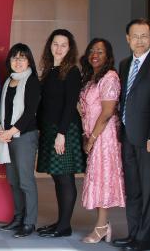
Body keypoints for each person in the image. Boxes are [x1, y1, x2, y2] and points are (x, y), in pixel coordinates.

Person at [114, 19, 150, 251]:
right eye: (135, 36)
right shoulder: (124, 64)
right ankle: (133, 233)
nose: (139, 40)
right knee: (133, 189)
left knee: (149, 191)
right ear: (127, 39)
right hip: (127, 136)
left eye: (144, 36)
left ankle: (144, 239)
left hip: (147, 140)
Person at [35, 29, 85, 238]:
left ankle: (65, 226)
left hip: (65, 129)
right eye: (55, 44)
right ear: (50, 46)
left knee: (65, 177)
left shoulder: (72, 71)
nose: (59, 48)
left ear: (69, 48)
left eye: (63, 45)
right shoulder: (49, 70)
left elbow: (69, 105)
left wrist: (61, 133)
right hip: (49, 129)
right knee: (57, 176)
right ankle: (60, 222)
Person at [77, 38, 125, 243]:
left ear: (108, 56)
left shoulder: (110, 77)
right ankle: (102, 225)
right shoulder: (91, 77)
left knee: (103, 181)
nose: (95, 54)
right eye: (92, 51)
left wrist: (92, 139)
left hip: (104, 137)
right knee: (96, 180)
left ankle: (102, 226)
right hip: (93, 134)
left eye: (100, 51)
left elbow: (107, 112)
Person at [0, 43, 41, 238]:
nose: (18, 61)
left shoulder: (31, 81)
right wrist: (1, 128)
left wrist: (11, 131)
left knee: (25, 181)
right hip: (7, 137)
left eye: (22, 58)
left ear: (29, 60)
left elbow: (30, 113)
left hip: (24, 136)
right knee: (14, 181)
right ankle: (18, 217)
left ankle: (29, 222)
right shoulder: (8, 81)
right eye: (15, 58)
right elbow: (3, 110)